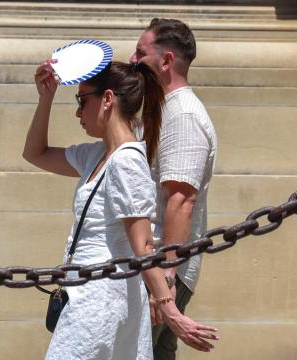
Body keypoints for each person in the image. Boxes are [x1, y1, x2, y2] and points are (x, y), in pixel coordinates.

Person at [23, 58, 218, 359]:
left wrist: (170, 310)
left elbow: (143, 245)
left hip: (100, 301)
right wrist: (46, 98)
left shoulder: (126, 161)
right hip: (89, 293)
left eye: (82, 100)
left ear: (108, 99)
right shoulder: (97, 155)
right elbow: (35, 153)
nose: (77, 112)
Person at [130, 18, 218, 359]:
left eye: (141, 52)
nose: (133, 59)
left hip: (161, 270)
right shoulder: (165, 110)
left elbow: (181, 200)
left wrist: (164, 279)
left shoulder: (182, 115)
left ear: (166, 61)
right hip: (155, 268)